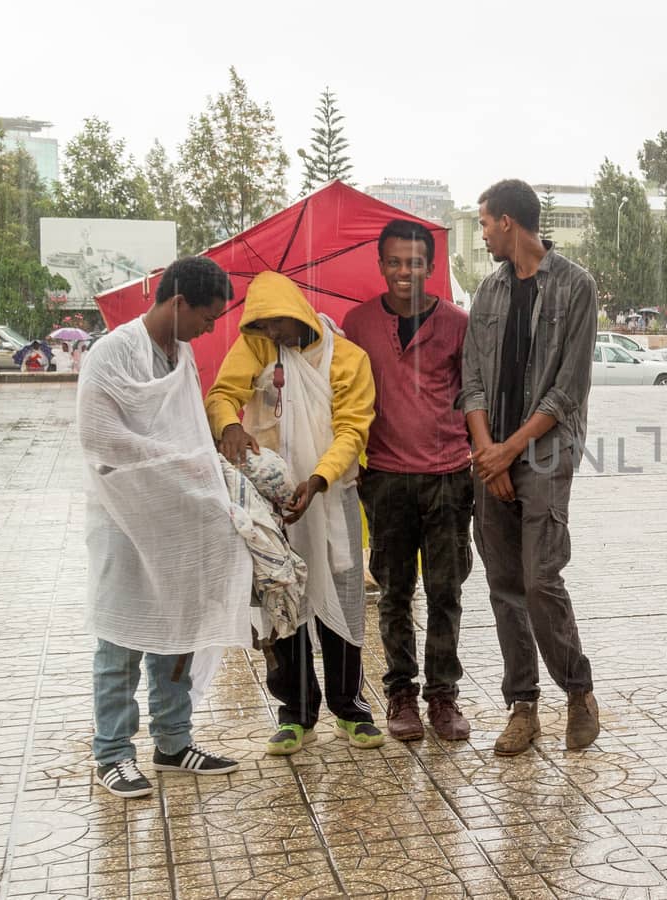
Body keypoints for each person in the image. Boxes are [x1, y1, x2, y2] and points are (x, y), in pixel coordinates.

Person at [78, 256, 252, 798]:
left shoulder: (182, 356)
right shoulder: (110, 354)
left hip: (176, 521)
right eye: (207, 316)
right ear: (178, 303)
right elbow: (101, 437)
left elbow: (191, 428)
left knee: (178, 629)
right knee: (123, 632)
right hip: (124, 517)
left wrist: (206, 474)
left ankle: (174, 742)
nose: (211, 327)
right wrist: (180, 462)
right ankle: (112, 751)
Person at [206, 271, 381, 755]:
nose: (274, 335)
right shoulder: (260, 350)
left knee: (341, 595)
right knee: (280, 597)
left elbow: (352, 430)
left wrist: (319, 479)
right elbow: (223, 395)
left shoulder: (348, 359)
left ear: (299, 313)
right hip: (271, 501)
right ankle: (295, 713)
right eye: (262, 326)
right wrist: (229, 428)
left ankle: (350, 707)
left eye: (279, 324)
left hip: (329, 494)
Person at [461, 179, 601, 756]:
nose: (483, 232)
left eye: (486, 222)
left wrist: (508, 451)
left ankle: (578, 689)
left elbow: (567, 390)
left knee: (541, 579)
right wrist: (488, 453)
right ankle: (523, 707)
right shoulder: (487, 293)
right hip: (492, 455)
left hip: (543, 454)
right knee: (503, 585)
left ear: (510, 223)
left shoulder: (575, 287)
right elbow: (470, 378)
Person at [342, 220, 474, 742]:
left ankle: (443, 697)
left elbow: (473, 397)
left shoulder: (458, 325)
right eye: (394, 262)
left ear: (431, 267)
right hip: (386, 480)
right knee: (395, 593)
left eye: (415, 262)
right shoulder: (357, 324)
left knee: (446, 591)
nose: (404, 271)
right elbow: (342, 392)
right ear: (381, 265)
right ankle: (401, 693)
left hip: (447, 478)